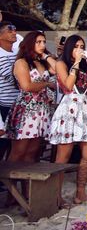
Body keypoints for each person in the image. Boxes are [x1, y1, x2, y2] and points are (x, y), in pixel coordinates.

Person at [49, 35, 87, 205]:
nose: (80, 49)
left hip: (83, 109)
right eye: (76, 46)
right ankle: (55, 196)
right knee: (63, 155)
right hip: (68, 108)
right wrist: (76, 63)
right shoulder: (61, 63)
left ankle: (80, 191)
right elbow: (67, 84)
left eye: (82, 46)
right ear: (69, 48)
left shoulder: (85, 65)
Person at [5, 31, 56, 163]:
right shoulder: (21, 62)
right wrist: (47, 84)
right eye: (38, 42)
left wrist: (45, 55)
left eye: (44, 42)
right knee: (18, 152)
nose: (42, 44)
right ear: (30, 43)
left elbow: (57, 69)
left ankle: (25, 181)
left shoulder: (41, 62)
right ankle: (9, 181)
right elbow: (27, 86)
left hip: (42, 110)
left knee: (32, 152)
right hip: (26, 110)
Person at [0, 21, 19, 160]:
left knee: (14, 145)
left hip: (17, 104)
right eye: (10, 29)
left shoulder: (16, 53)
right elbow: (15, 78)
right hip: (4, 105)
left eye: (15, 29)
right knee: (2, 144)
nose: (14, 32)